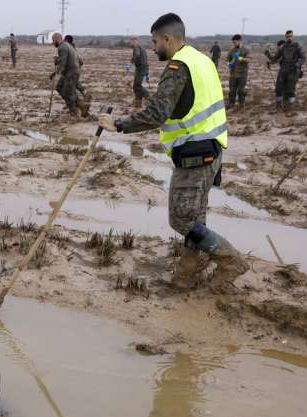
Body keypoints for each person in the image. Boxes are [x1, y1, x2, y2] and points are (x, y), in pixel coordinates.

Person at [98, 13, 247, 287]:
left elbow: (157, 113)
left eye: (154, 41)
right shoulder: (202, 60)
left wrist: (118, 124)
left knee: (180, 220)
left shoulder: (178, 67)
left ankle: (230, 260)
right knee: (195, 217)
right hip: (213, 149)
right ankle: (185, 276)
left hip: (195, 153)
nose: (153, 47)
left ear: (167, 38)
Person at [52, 33, 89, 118]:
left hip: (70, 73)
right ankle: (79, 104)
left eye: (53, 41)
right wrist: (57, 60)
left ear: (57, 39)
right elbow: (65, 60)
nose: (53, 43)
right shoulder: (68, 45)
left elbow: (63, 63)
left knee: (69, 93)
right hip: (71, 72)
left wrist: (57, 73)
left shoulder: (62, 47)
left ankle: (74, 111)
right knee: (59, 87)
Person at [270, 30, 305, 109]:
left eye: (290, 36)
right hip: (283, 70)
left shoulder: (297, 46)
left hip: (293, 71)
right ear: (285, 37)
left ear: (293, 36)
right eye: (288, 37)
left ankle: (290, 106)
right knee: (278, 88)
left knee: (290, 89)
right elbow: (275, 58)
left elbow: (303, 58)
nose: (289, 38)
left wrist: (298, 64)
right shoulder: (282, 47)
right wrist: (270, 61)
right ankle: (278, 105)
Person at [226, 34, 250, 108]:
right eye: (233, 42)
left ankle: (241, 104)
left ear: (240, 41)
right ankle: (231, 103)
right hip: (233, 74)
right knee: (232, 90)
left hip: (242, 74)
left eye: (235, 42)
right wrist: (229, 63)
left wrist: (240, 58)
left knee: (241, 90)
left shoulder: (246, 50)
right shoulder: (232, 50)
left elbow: (249, 60)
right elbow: (227, 58)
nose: (234, 44)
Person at [131, 36, 149, 108]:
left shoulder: (136, 47)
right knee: (137, 86)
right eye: (132, 40)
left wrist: (132, 62)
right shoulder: (142, 47)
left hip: (141, 68)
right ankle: (138, 104)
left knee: (138, 85)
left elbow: (137, 55)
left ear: (136, 40)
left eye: (133, 40)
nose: (132, 42)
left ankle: (150, 98)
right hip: (145, 68)